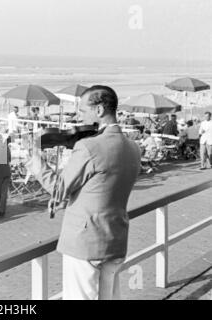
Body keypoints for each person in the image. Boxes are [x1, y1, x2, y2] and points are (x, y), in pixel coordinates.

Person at [27, 85, 141, 300]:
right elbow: (102, 186)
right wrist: (73, 200)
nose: (80, 116)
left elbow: (59, 188)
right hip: (115, 236)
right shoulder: (133, 147)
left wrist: (35, 161)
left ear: (99, 110)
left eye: (82, 110)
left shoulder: (89, 146)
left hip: (85, 241)